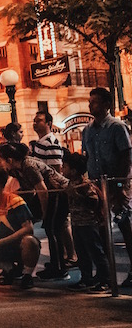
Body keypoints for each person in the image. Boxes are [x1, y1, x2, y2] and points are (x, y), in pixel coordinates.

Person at [0, 142, 70, 280]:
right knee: (46, 229)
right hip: (49, 195)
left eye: (1, 160)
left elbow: (43, 191)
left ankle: (59, 268)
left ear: (9, 160)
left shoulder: (28, 166)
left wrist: (44, 213)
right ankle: (52, 265)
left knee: (52, 229)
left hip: (58, 193)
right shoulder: (16, 169)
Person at [82, 87, 132, 287]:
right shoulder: (87, 130)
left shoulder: (117, 127)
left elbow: (125, 157)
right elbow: (87, 156)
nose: (90, 105)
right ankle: (106, 274)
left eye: (94, 101)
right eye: (90, 101)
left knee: (125, 227)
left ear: (106, 104)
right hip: (96, 186)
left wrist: (119, 184)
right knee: (101, 231)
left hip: (116, 185)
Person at [30, 110, 77, 268]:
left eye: (39, 120)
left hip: (53, 190)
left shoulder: (50, 142)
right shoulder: (40, 143)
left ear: (48, 123)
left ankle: (70, 256)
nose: (35, 123)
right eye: (35, 120)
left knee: (60, 225)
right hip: (47, 189)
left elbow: (56, 169)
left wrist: (52, 190)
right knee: (58, 225)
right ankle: (63, 256)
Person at [62, 151, 110, 293]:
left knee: (96, 252)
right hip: (77, 223)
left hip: (88, 224)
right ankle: (86, 278)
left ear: (74, 170)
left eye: (64, 167)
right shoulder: (71, 183)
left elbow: (93, 201)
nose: (62, 169)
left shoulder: (84, 185)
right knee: (82, 253)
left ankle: (105, 280)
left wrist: (76, 195)